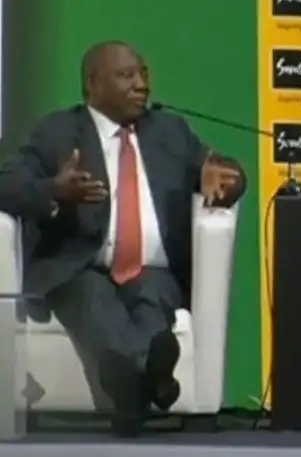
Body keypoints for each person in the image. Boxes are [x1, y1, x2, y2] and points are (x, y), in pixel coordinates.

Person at [0, 41, 246, 436]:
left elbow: (226, 168)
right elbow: (7, 184)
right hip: (79, 266)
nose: (141, 85)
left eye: (143, 74)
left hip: (153, 270)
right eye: (126, 76)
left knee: (152, 297)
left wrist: (228, 181)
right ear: (92, 84)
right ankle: (153, 377)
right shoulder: (57, 132)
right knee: (95, 299)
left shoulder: (170, 132)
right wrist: (54, 190)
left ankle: (131, 392)